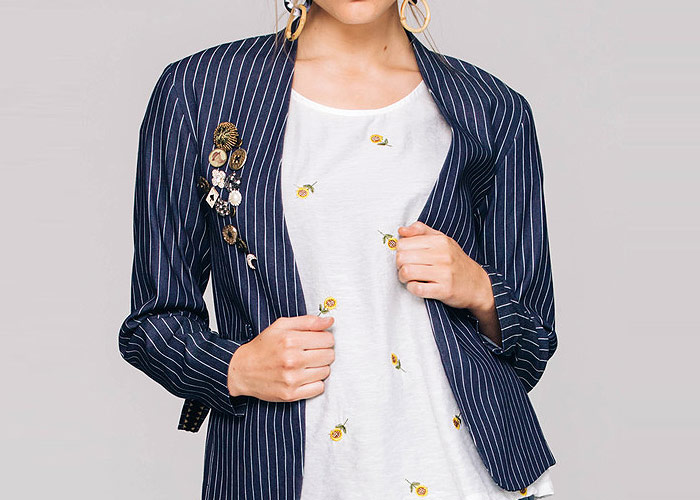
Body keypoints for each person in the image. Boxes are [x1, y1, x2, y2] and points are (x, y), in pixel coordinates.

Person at [118, 1, 558, 499]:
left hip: (460, 473)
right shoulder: (200, 92)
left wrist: (478, 288)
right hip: (283, 471)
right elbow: (152, 323)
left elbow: (534, 345)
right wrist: (235, 367)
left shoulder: (492, 109)